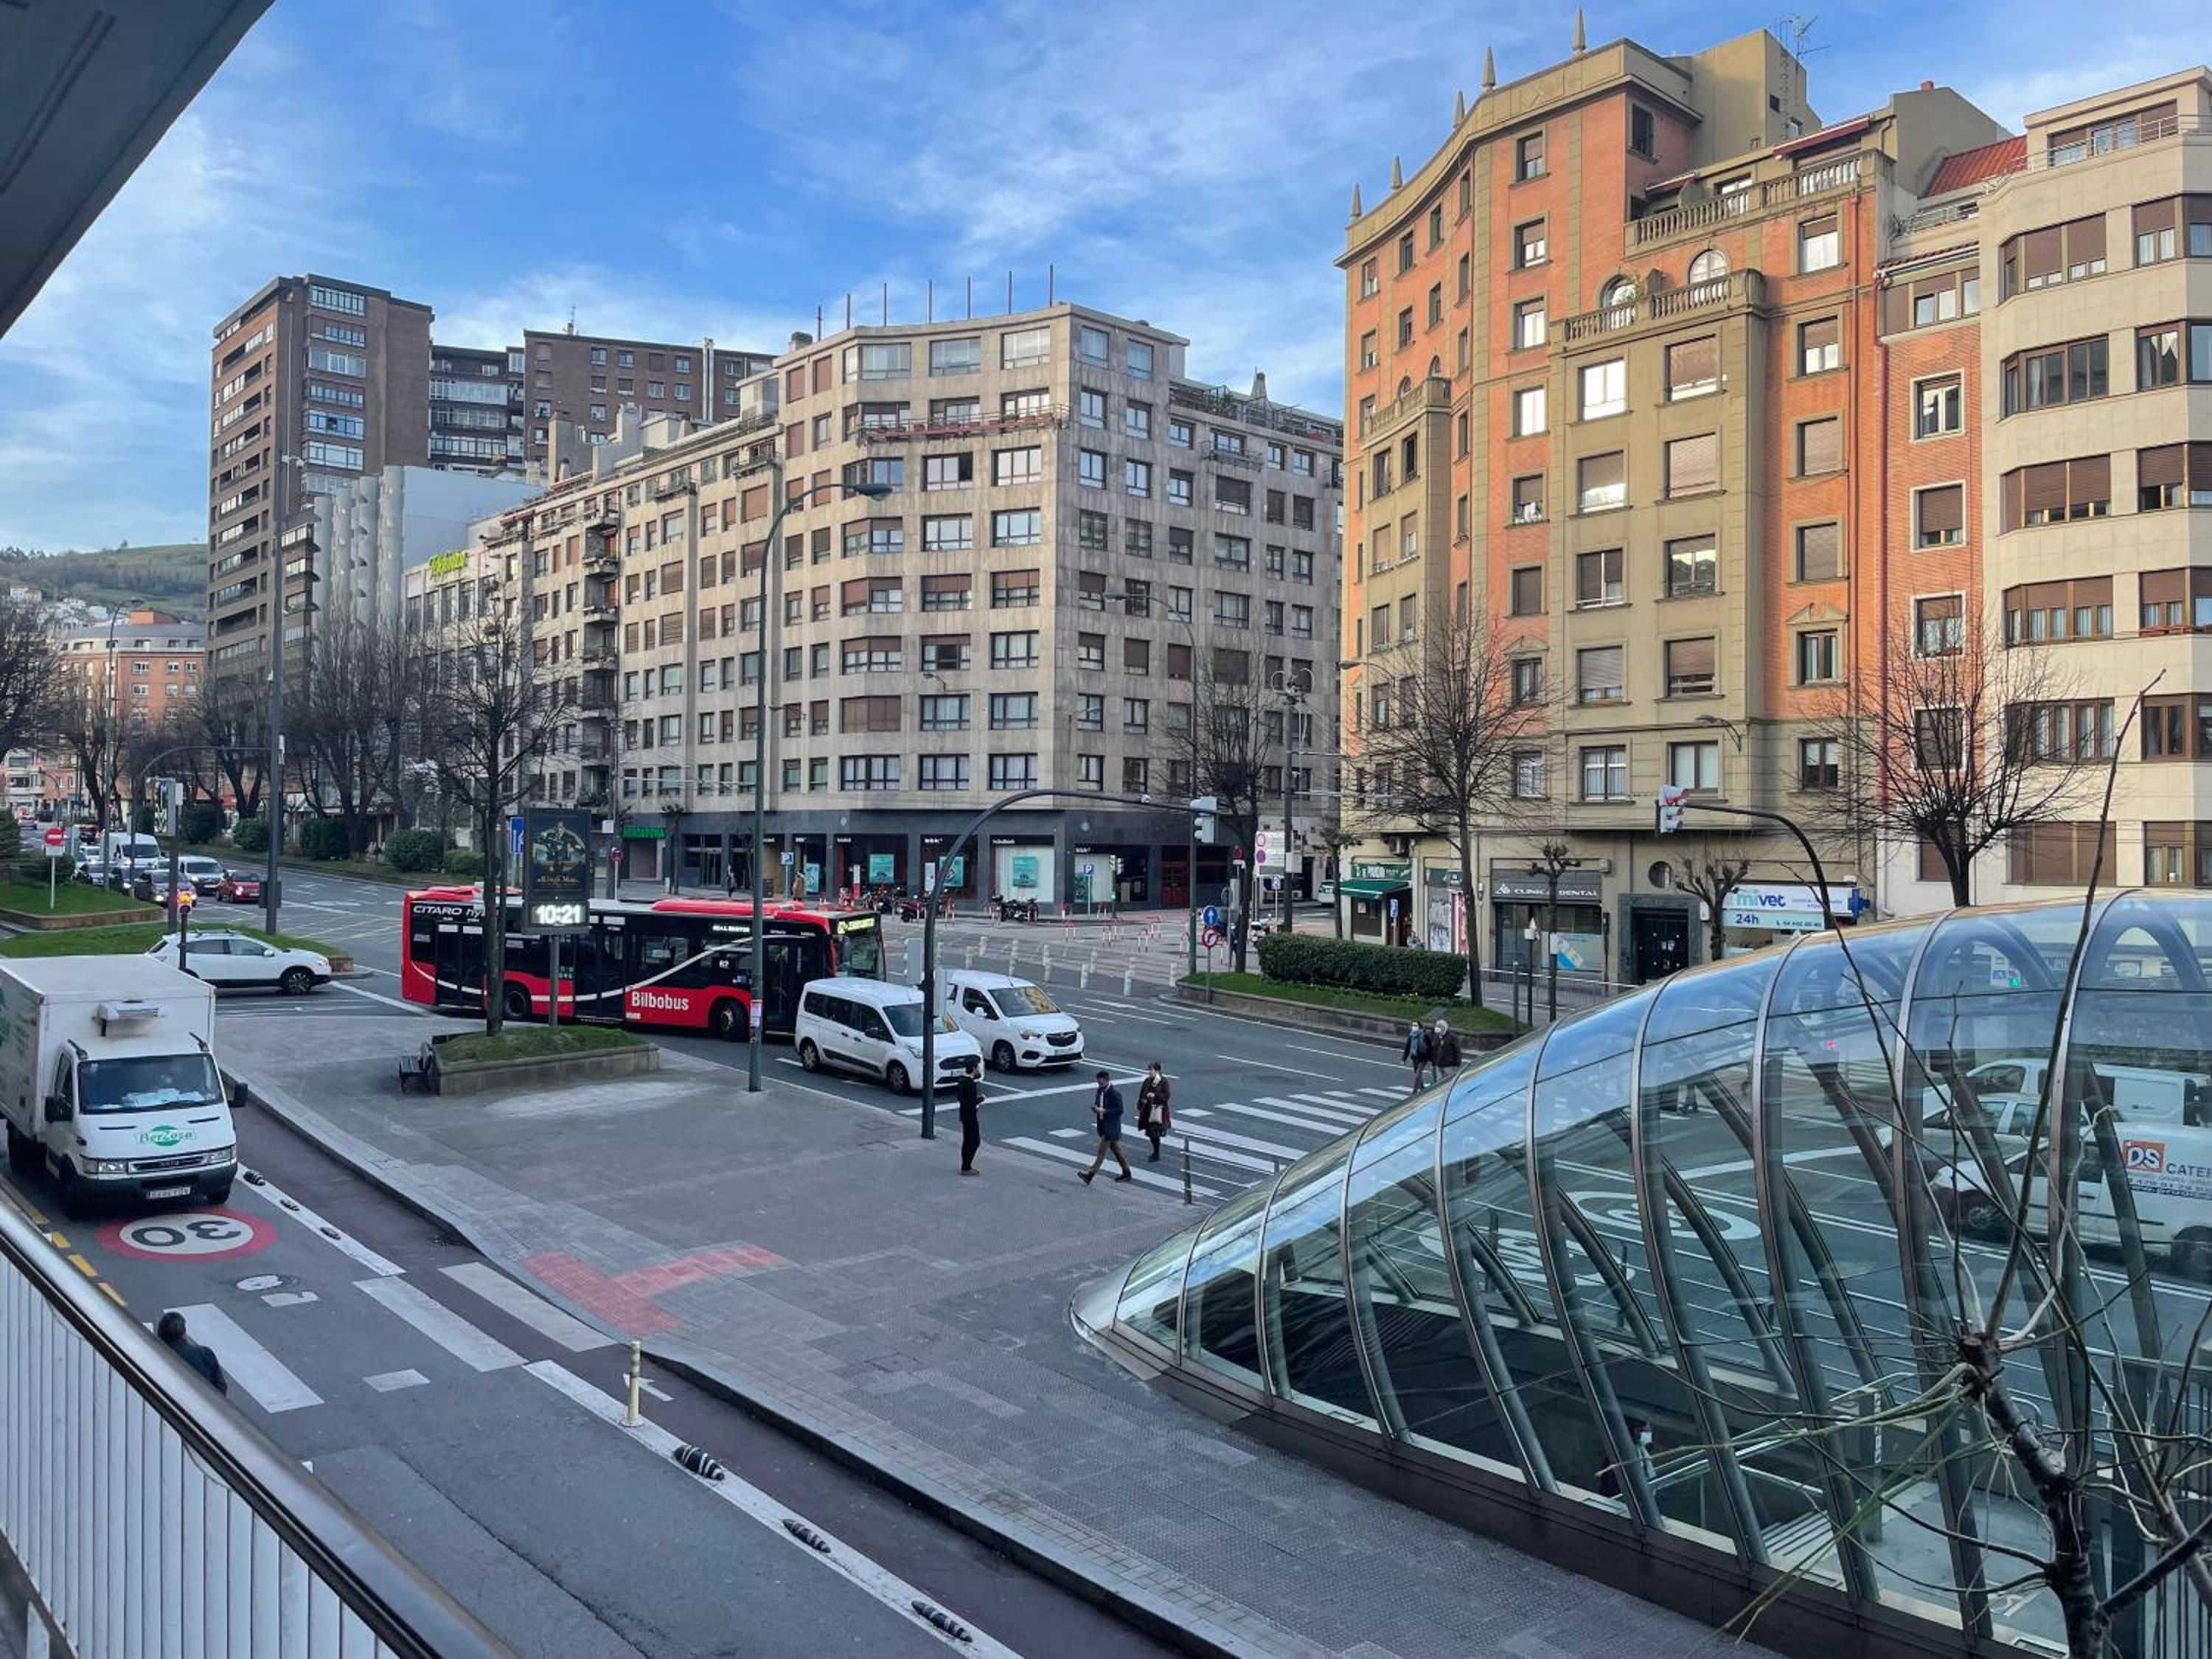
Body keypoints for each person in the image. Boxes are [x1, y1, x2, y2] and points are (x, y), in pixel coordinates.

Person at [1079, 1070, 1133, 1184]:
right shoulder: (1100, 1091)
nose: (1100, 1085)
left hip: (1111, 1129)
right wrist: (1096, 1109)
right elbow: (1098, 1103)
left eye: (1101, 1083)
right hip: (1103, 1126)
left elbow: (1120, 1110)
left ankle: (1090, 1175)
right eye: (1098, 1083)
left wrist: (1104, 1111)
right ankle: (1127, 1173)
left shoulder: (1115, 1094)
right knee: (1117, 1151)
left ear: (1107, 1081)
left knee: (1101, 1152)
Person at [156, 1310, 227, 1396]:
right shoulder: (205, 1353)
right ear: (184, 1333)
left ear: (160, 1335)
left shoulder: (154, 1357)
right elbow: (221, 1387)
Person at [1135, 1062, 1173, 1162]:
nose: (1149, 1072)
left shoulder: (1163, 1081)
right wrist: (1141, 1102)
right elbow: (1142, 1093)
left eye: (1151, 1070)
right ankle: (1156, 1150)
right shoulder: (1147, 1081)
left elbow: (1167, 1096)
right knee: (1150, 1133)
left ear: (1157, 1071)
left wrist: (1155, 1096)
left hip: (1158, 1110)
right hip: (1148, 1110)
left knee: (1154, 1132)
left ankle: (1156, 1153)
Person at [956, 1057, 985, 1176]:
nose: (978, 1069)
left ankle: (966, 1165)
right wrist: (981, 1099)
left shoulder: (961, 1081)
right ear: (973, 1068)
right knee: (974, 1141)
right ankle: (967, 1167)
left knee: (967, 1141)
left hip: (964, 1115)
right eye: (977, 1067)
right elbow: (972, 1101)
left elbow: (961, 1098)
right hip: (970, 1116)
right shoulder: (970, 1083)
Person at [1402, 1019, 1432, 1091]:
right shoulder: (1411, 1036)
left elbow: (1430, 1047)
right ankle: (1422, 1088)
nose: (1414, 1027)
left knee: (1418, 1075)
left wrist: (1431, 1059)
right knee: (1418, 1074)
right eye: (1413, 1025)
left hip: (1423, 1058)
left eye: (1415, 1025)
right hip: (1414, 1057)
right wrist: (1404, 1059)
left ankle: (1414, 1092)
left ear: (1420, 1027)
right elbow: (1407, 1047)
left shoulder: (1424, 1035)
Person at [1432, 1018, 1463, 1082]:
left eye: (1439, 1027)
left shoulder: (1452, 1037)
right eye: (1437, 1027)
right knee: (1439, 1083)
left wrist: (1458, 1064)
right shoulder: (1437, 1037)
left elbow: (1457, 1051)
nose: (1437, 1028)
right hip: (1439, 1065)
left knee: (1448, 1082)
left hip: (1449, 1066)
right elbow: (1434, 1050)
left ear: (1444, 1028)